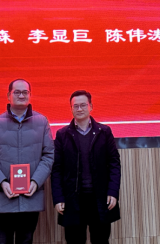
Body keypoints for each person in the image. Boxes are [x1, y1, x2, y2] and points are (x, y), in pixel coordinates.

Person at [0, 79, 55, 244]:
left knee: (26, 240)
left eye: (25, 92)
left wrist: (36, 181)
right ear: (9, 96)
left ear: (30, 95)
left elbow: (49, 155)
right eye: (17, 92)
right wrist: (2, 183)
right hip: (3, 198)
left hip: (30, 197)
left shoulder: (42, 122)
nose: (21, 95)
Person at [51, 90, 121, 244]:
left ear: (91, 107)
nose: (79, 109)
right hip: (72, 200)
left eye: (83, 105)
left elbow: (114, 164)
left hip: (100, 198)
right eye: (75, 106)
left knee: (101, 240)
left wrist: (113, 191)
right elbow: (57, 169)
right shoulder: (62, 135)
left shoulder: (104, 132)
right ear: (71, 109)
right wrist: (58, 198)